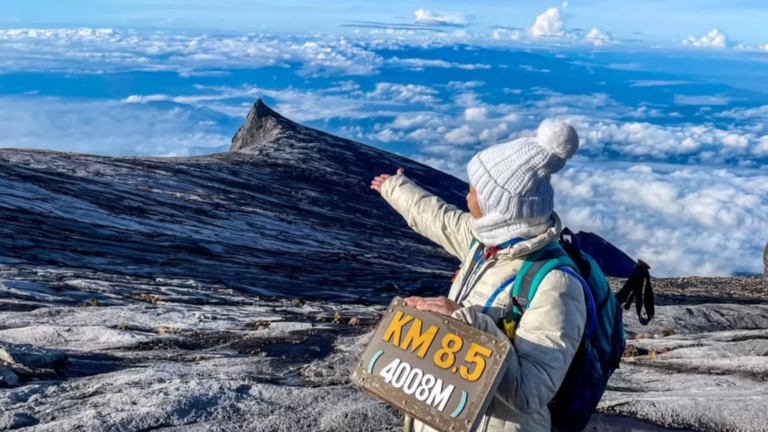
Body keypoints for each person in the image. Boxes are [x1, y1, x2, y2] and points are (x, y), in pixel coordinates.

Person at [370, 119, 587, 432]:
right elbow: (440, 220)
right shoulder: (489, 245)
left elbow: (530, 392)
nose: (467, 198)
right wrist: (397, 188)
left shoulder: (556, 283)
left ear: (500, 209)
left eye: (475, 193)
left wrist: (464, 321)